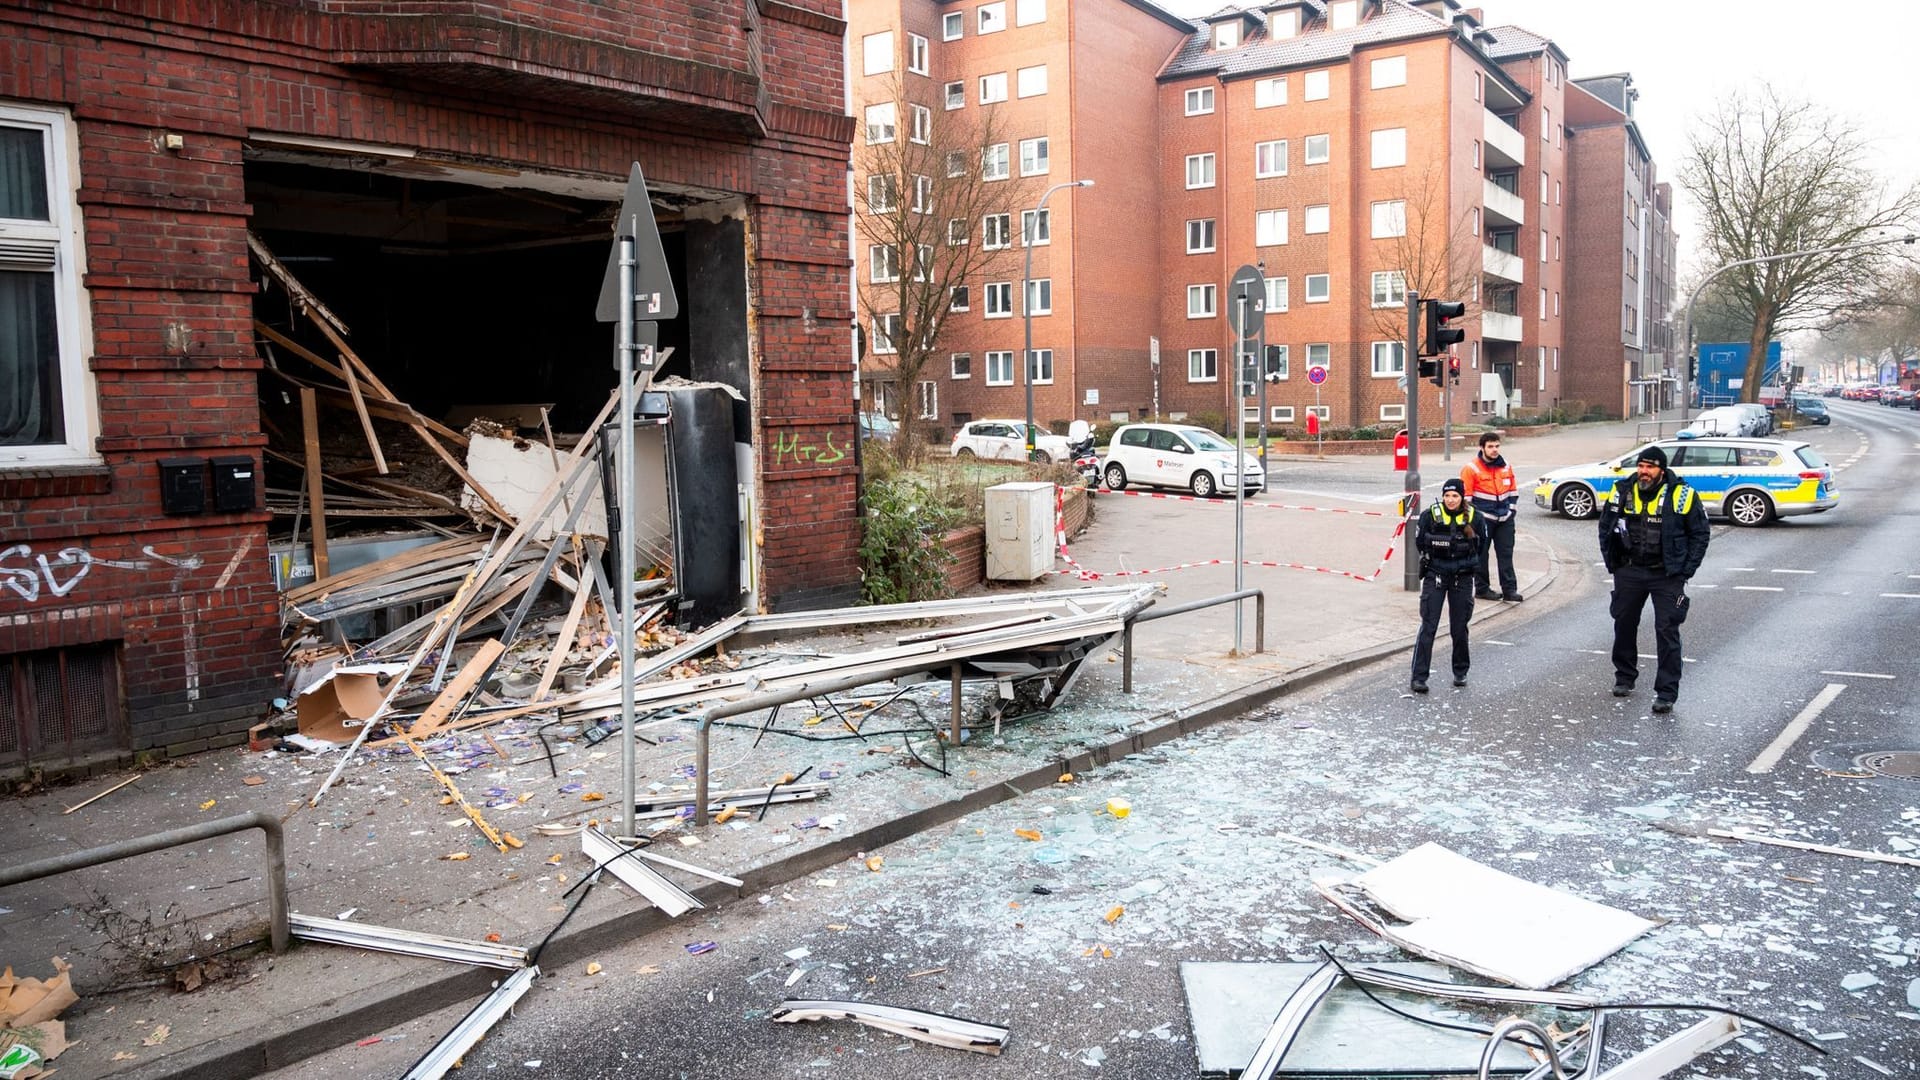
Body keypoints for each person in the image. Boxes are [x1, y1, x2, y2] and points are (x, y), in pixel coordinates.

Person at [1597, 445, 1710, 714]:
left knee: (1667, 630)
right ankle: (1624, 677)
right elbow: (1605, 527)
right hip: (1630, 571)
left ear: (1661, 469)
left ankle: (1667, 692)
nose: (1643, 472)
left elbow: (1700, 534)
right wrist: (1613, 564)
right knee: (1623, 623)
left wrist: (1686, 571)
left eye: (1649, 467)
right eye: (1640, 466)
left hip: (1667, 575)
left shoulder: (1682, 494)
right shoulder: (1622, 490)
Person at [1410, 478, 1479, 694]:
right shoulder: (1430, 515)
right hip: (1436, 575)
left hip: (1462, 578)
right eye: (1447, 495)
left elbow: (1481, 547)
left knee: (1459, 628)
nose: (1450, 500)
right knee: (1428, 627)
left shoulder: (1475, 517)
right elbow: (1420, 542)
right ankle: (1419, 677)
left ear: (1462, 497)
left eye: (1455, 496)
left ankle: (1460, 672)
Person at [1461, 432, 1521, 602]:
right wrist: (1472, 523)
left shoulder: (1506, 466)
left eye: (1497, 446)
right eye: (1490, 447)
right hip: (1483, 519)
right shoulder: (1471, 468)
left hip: (1505, 519)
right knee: (1481, 555)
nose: (1494, 450)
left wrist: (1511, 512)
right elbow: (1466, 499)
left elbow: (1513, 492)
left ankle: (1510, 590)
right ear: (1482, 448)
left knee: (1506, 554)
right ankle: (1482, 589)